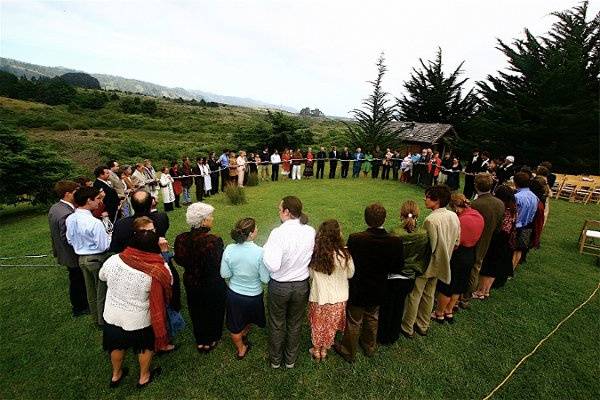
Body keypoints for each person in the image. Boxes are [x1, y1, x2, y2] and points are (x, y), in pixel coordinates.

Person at [100, 217, 172, 389]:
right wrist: (164, 255)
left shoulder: (114, 260)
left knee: (116, 345)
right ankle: (144, 376)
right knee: (145, 347)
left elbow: (102, 276)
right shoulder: (158, 268)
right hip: (139, 320)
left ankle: (116, 374)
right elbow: (169, 283)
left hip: (112, 314)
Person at [334, 203, 404, 362]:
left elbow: (349, 261)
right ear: (384, 219)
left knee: (354, 319)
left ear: (366, 219)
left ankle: (349, 350)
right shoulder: (394, 241)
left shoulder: (357, 239)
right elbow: (398, 266)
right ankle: (368, 345)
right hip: (378, 287)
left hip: (359, 287)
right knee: (372, 316)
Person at [263, 196, 315, 369]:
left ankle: (276, 361)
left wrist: (264, 251)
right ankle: (290, 360)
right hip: (301, 285)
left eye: (280, 209)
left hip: (280, 286)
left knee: (277, 324)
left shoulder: (278, 233)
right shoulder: (310, 231)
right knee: (295, 323)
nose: (279, 212)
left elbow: (273, 265)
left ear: (286, 212)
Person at [401, 185, 460, 337]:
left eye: (427, 197)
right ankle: (423, 325)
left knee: (415, 294)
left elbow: (430, 247)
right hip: (443, 263)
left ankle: (407, 327)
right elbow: (457, 242)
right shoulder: (454, 216)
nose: (424, 199)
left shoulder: (431, 220)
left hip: (428, 264)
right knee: (429, 294)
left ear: (437, 200)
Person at [174, 203, 226, 353]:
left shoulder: (181, 239)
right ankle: (213, 337)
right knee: (214, 309)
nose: (212, 218)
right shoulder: (213, 241)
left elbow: (179, 260)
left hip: (191, 281)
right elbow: (218, 263)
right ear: (203, 221)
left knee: (196, 309)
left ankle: (201, 340)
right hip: (211, 282)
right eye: (210, 216)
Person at [378, 201, 430, 345]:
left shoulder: (395, 233)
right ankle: (393, 334)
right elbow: (423, 256)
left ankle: (383, 335)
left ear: (401, 214)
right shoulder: (423, 234)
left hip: (394, 275)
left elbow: (387, 255)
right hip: (409, 277)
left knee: (388, 306)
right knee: (400, 304)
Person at [220, 218, 269, 360]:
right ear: (252, 233)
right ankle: (243, 344)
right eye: (256, 228)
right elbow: (265, 279)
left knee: (235, 325)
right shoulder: (260, 252)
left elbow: (225, 274)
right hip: (254, 295)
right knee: (249, 318)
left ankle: (241, 348)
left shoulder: (229, 249)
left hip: (234, 294)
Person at [308, 220, 355, 361]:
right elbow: (350, 273)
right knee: (330, 326)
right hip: (339, 298)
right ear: (338, 235)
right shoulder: (344, 254)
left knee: (317, 324)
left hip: (319, 297)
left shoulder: (315, 254)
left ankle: (316, 350)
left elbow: (310, 274)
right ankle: (324, 350)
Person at [433, 194, 484, 323]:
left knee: (448, 285)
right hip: (470, 253)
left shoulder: (460, 220)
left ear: (455, 207)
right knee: (460, 284)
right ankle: (449, 310)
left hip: (458, 254)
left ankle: (439, 312)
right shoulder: (477, 215)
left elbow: (455, 241)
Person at [66, 186, 112, 326]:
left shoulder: (71, 218)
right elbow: (104, 246)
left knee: (90, 290)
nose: (99, 202)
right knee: (101, 290)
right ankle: (103, 320)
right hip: (96, 258)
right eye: (97, 199)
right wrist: (109, 235)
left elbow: (69, 239)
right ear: (88, 200)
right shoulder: (94, 223)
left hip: (82, 258)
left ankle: (95, 317)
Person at [463, 174, 505, 306]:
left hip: (474, 240)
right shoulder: (499, 203)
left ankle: (465, 295)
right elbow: (499, 226)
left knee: (472, 268)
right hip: (489, 238)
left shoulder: (475, 204)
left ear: (476, 185)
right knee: (477, 265)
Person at [48, 180, 89, 317]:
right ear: (67, 194)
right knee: (78, 281)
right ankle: (80, 307)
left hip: (63, 252)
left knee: (76, 279)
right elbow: (67, 237)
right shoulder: (66, 213)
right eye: (75, 192)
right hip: (71, 254)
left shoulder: (56, 207)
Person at [474, 185, 517, 296]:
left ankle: (480, 291)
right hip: (505, 240)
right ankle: (486, 290)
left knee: (488, 266)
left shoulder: (502, 208)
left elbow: (498, 226)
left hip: (497, 239)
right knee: (494, 267)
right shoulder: (512, 208)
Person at [512, 172, 539, 268]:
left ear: (516, 182)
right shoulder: (534, 197)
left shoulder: (517, 197)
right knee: (519, 249)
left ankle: (507, 270)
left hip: (516, 225)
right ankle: (512, 269)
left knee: (511, 249)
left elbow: (514, 212)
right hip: (528, 225)